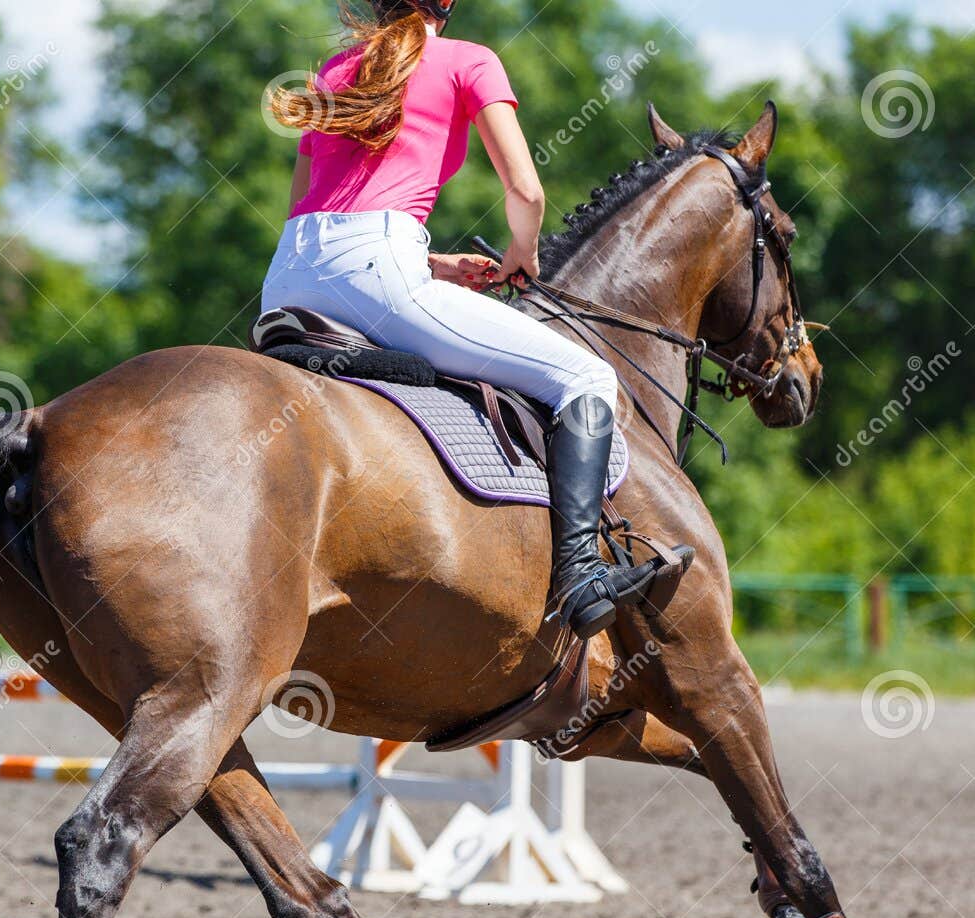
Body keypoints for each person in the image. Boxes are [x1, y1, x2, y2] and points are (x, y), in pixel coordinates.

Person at [262, 0, 679, 638]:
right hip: (378, 271)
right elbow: (527, 192)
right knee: (587, 378)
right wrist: (523, 252)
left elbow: (306, 207)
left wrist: (427, 265)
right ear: (448, 6)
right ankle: (579, 573)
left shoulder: (334, 70)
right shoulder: (468, 61)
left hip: (287, 279)